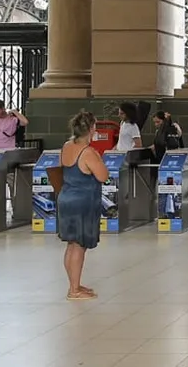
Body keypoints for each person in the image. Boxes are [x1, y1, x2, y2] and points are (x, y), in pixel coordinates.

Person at [57, 111, 108, 301]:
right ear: (92, 129)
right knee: (79, 246)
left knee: (72, 245)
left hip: (65, 198)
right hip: (82, 203)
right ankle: (74, 290)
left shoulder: (66, 146)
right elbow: (102, 176)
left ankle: (75, 285)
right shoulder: (88, 152)